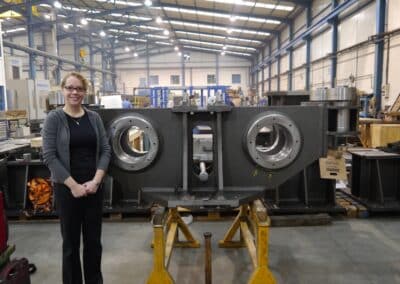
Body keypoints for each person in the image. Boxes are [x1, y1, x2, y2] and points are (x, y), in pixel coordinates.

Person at [42, 72, 111, 284]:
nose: (75, 92)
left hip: (92, 188)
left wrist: (96, 181)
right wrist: (73, 186)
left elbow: (105, 151)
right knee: (70, 245)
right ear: (62, 90)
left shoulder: (94, 118)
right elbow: (49, 156)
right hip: (67, 189)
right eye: (70, 88)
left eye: (79, 89)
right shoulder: (54, 119)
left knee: (93, 243)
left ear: (85, 92)